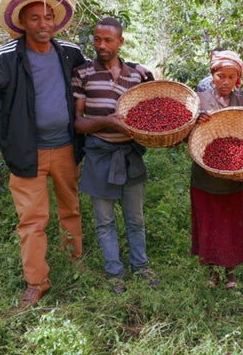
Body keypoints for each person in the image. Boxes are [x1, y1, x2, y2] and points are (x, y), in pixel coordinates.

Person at [0, 0, 88, 305]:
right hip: (27, 152)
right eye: (35, 19)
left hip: (67, 148)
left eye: (48, 18)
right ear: (23, 23)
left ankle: (75, 262)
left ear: (56, 21)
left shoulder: (69, 52)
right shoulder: (7, 57)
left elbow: (95, 79)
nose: (43, 24)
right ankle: (36, 281)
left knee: (70, 209)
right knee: (32, 219)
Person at [72, 17, 158, 293]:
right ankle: (114, 274)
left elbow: (149, 114)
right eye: (97, 39)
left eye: (108, 40)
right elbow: (78, 122)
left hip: (129, 154)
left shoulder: (137, 75)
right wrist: (108, 122)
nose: (101, 45)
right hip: (99, 154)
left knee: (135, 218)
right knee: (105, 220)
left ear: (120, 42)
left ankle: (141, 267)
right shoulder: (82, 73)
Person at [190, 50, 243, 289]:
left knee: (231, 224)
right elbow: (185, 134)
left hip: (235, 176)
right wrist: (195, 120)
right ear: (212, 75)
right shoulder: (199, 101)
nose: (225, 81)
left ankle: (230, 272)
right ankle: (212, 271)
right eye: (220, 76)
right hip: (204, 173)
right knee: (209, 223)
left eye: (231, 77)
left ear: (238, 78)